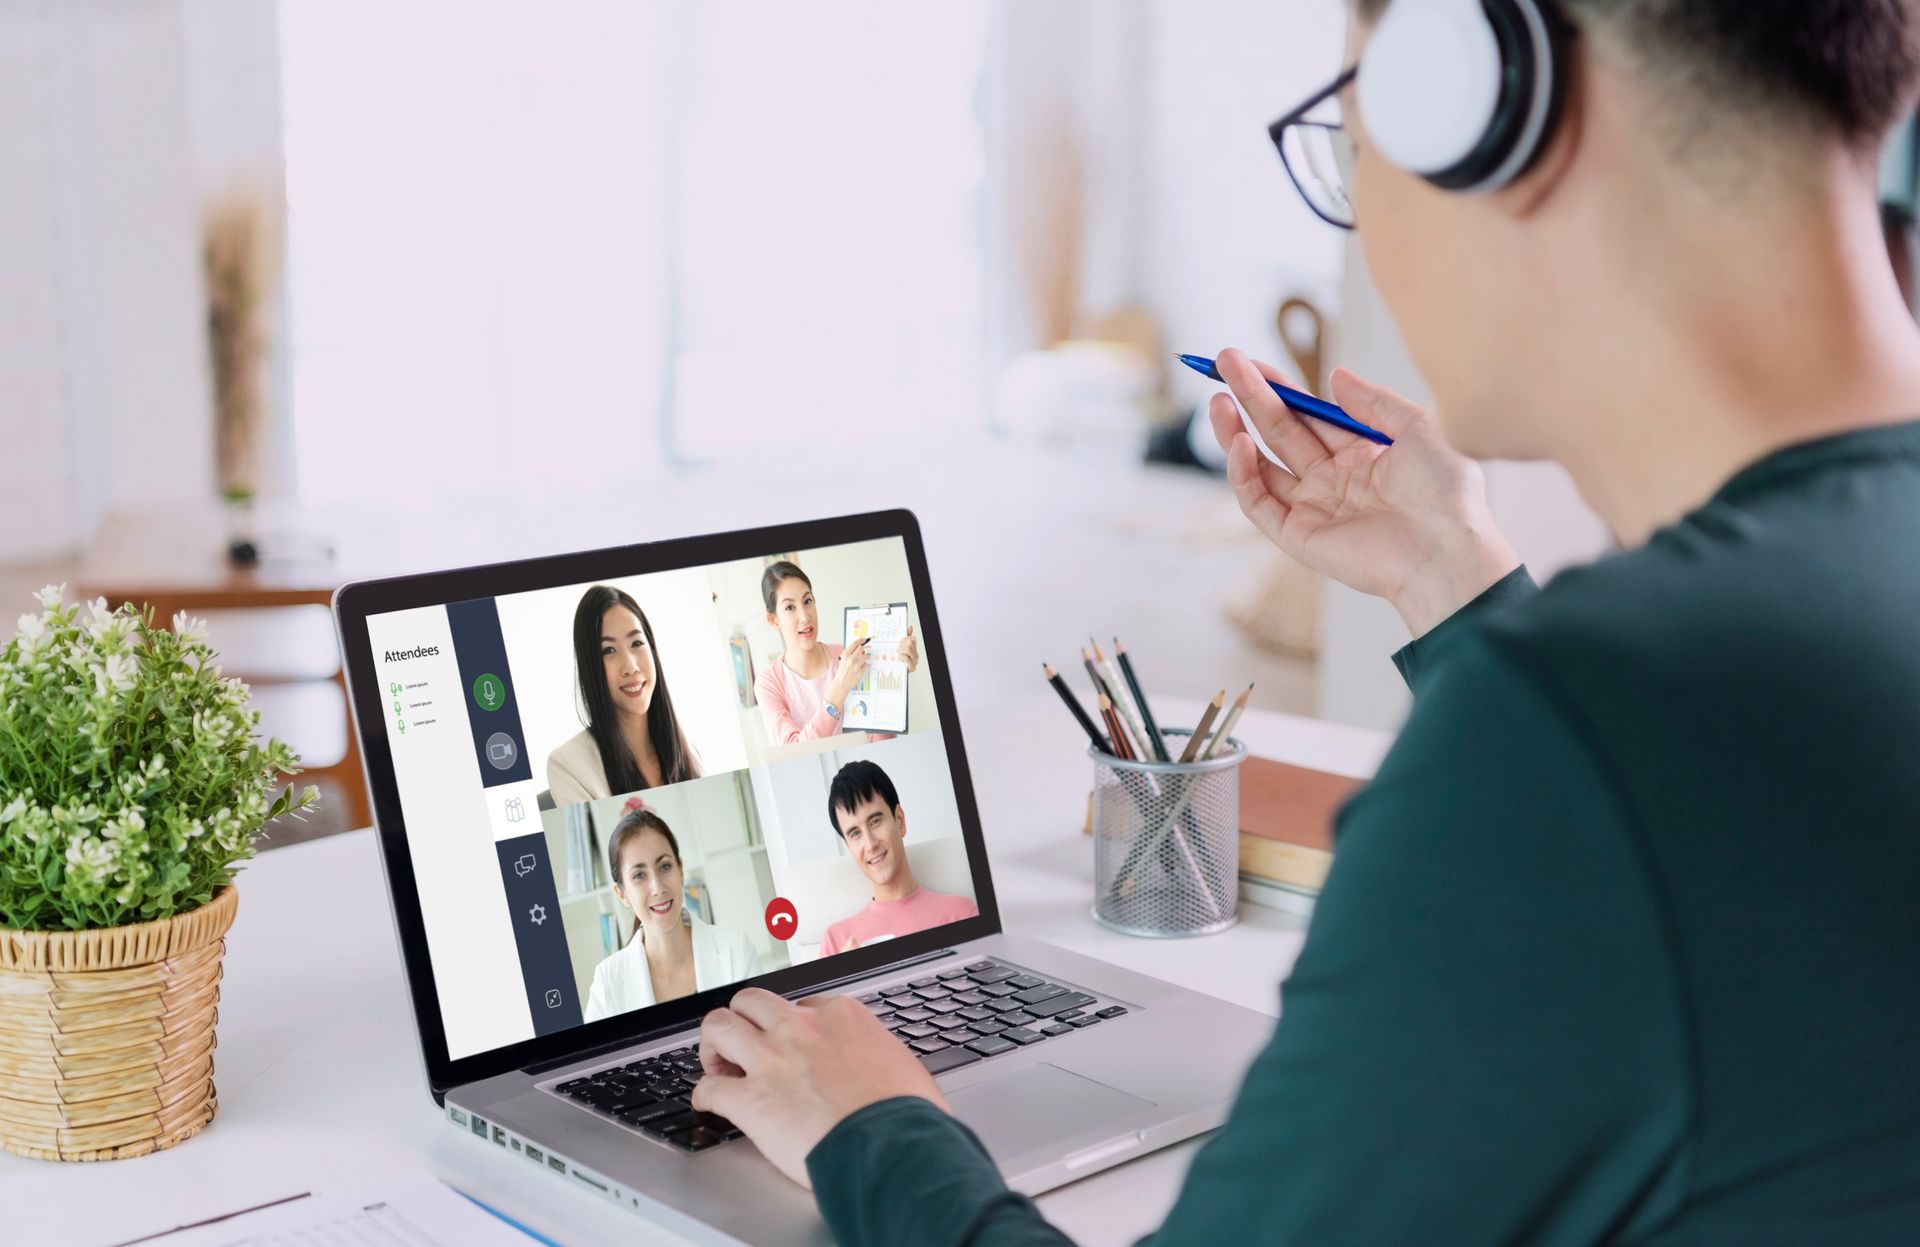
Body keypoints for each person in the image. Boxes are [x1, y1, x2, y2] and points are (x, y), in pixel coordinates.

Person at [686, 0, 1920, 1242]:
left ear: (1491, 96)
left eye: (1355, 138)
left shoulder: (1581, 728)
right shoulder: (1725, 674)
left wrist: (874, 1126)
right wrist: (1456, 580)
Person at [583, 805, 756, 1021]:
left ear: (680, 870)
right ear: (622, 893)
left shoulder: (736, 949)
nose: (658, 888)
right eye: (639, 875)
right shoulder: (607, 982)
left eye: (664, 867)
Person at [546, 585, 701, 805]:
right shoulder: (568, 765)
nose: (630, 666)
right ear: (590, 667)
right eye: (609, 650)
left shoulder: (687, 754)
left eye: (636, 643)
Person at [816, 760, 977, 956]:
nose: (870, 844)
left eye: (875, 822)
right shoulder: (836, 941)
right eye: (855, 833)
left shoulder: (960, 914)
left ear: (899, 821)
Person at [754, 560, 919, 745]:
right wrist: (839, 689)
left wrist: (896, 672)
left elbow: (880, 739)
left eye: (807, 601)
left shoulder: (848, 656)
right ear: (773, 620)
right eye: (790, 607)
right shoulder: (768, 684)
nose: (804, 616)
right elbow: (793, 750)